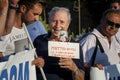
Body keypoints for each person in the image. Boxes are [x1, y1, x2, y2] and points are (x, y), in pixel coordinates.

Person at [33, 7, 84, 80]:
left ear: (68, 24)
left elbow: (81, 78)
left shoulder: (74, 46)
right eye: (54, 21)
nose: (57, 25)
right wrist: (35, 62)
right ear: (49, 21)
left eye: (62, 22)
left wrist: (74, 68)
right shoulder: (39, 40)